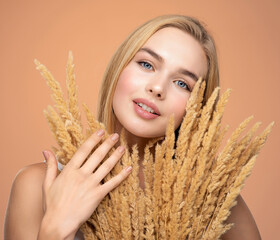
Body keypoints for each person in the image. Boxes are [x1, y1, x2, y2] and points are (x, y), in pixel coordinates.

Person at [4, 15, 261, 240]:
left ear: (197, 109)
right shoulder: (37, 186)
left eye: (182, 83)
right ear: (120, 66)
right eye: (147, 64)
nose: (157, 88)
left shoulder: (210, 199)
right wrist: (54, 230)